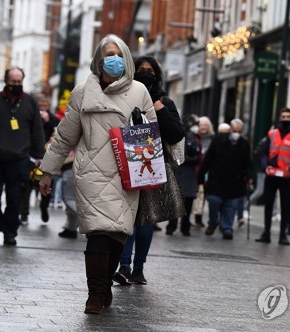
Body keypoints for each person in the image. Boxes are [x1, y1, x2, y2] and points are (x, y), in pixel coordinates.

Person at [39, 34, 157, 314]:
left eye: (118, 54)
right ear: (98, 59)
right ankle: (96, 293)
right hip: (91, 171)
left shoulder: (140, 91)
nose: (113, 59)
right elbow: (64, 136)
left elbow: (151, 134)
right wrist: (46, 172)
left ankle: (104, 286)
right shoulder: (82, 91)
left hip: (127, 175)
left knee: (117, 236)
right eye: (107, 54)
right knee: (98, 234)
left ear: (126, 58)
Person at [113, 55, 184, 286]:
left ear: (157, 74)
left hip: (153, 164)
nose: (145, 73)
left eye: (149, 70)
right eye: (140, 69)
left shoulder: (165, 102)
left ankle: (138, 268)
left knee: (146, 220)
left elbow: (176, 134)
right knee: (129, 218)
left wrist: (160, 109)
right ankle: (123, 266)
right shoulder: (123, 97)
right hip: (127, 163)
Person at [0, 67, 45, 246]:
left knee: (15, 198)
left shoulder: (30, 102)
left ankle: (10, 232)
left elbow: (37, 130)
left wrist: (39, 155)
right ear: (5, 81)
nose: (16, 85)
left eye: (19, 82)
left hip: (20, 159)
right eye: (12, 82)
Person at [198, 118, 254, 240]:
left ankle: (227, 227)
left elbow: (247, 163)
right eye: (234, 131)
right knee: (214, 201)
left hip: (235, 181)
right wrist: (201, 175)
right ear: (230, 130)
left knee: (231, 205)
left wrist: (250, 177)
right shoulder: (218, 140)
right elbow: (208, 159)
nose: (236, 134)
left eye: (239, 132)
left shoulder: (244, 144)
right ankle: (213, 222)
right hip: (217, 179)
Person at [256, 107, 290, 245]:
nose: (286, 119)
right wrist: (265, 166)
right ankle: (266, 232)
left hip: (287, 177)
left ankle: (283, 235)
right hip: (271, 175)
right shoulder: (272, 134)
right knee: (268, 205)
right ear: (279, 118)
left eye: (288, 117)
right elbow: (263, 152)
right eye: (283, 117)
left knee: (286, 206)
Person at [19, 94, 59, 225]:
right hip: (30, 157)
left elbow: (60, 129)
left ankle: (44, 207)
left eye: (45, 106)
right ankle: (24, 214)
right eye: (40, 106)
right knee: (26, 186)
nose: (42, 108)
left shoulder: (52, 118)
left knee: (47, 185)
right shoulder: (30, 117)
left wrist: (47, 122)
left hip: (47, 158)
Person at [166, 114, 201, 236]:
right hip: (180, 174)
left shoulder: (195, 139)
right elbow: (178, 156)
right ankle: (172, 226)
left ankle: (185, 227)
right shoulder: (180, 138)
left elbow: (197, 158)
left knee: (188, 202)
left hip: (190, 175)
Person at [192, 116, 214, 227]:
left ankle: (198, 217)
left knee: (203, 194)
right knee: (193, 194)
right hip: (195, 169)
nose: (203, 127)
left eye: (205, 125)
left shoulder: (212, 138)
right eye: (201, 125)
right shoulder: (194, 138)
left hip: (207, 171)